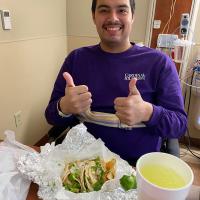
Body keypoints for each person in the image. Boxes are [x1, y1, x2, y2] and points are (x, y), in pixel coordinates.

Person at [45, 0, 187, 165]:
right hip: (85, 167)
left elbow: (179, 125)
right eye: (104, 10)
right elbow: (50, 115)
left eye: (122, 10)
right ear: (94, 16)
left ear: (132, 16)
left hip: (137, 168)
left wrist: (148, 112)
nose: (113, 18)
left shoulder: (159, 63)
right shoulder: (76, 59)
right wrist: (65, 107)